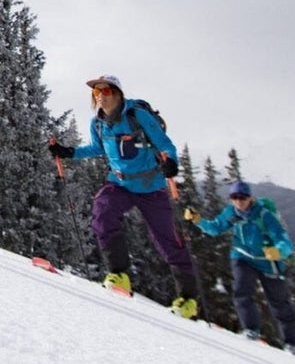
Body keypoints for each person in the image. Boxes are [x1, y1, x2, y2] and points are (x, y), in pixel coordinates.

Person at [48, 75, 200, 318]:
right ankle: (119, 275)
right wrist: (69, 152)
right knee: (102, 211)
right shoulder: (97, 123)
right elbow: (97, 148)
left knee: (168, 240)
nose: (100, 97)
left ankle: (188, 300)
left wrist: (171, 162)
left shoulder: (137, 116)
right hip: (120, 183)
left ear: (118, 93)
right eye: (96, 93)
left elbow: (164, 144)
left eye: (106, 91)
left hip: (151, 186)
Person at [184, 181, 295, 355]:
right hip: (242, 257)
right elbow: (216, 228)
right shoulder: (231, 212)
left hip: (268, 262)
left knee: (279, 303)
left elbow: (284, 240)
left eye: (242, 197)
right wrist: (198, 220)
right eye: (235, 198)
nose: (239, 202)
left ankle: (293, 344)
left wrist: (278, 251)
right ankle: (251, 330)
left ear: (250, 198)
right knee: (241, 291)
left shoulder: (264, 216)